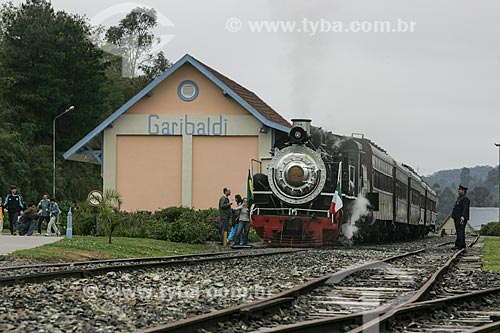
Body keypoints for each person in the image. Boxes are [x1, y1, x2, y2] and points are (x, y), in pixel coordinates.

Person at [451, 185, 470, 249]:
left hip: (461, 218)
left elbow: (465, 208)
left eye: (459, 189)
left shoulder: (465, 199)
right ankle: (461, 244)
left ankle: (459, 244)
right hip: (456, 217)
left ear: (463, 191)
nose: (458, 190)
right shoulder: (459, 198)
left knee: (460, 231)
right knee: (458, 231)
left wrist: (463, 216)